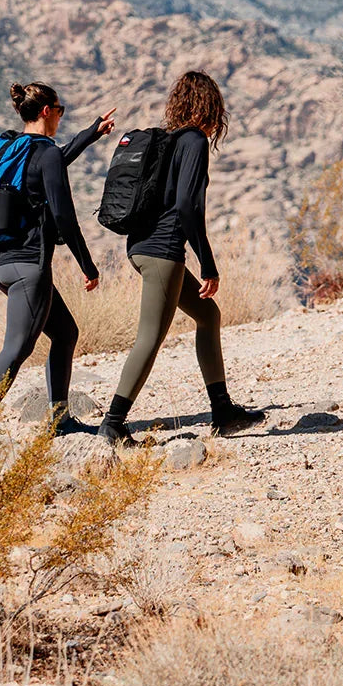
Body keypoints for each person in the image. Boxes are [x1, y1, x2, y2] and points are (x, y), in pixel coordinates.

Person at [97, 70, 265, 445]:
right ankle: (112, 424)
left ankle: (222, 411)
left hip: (142, 247)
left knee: (209, 316)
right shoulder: (193, 142)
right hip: (163, 252)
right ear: (211, 106)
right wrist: (207, 263)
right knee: (150, 336)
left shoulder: (168, 141)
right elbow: (189, 207)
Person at [0, 81, 115, 436]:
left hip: (2, 263)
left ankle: (59, 420)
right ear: (46, 112)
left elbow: (53, 162)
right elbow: (65, 217)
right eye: (60, 110)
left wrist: (91, 133)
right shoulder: (44, 152)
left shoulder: (13, 148)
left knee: (66, 332)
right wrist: (88, 265)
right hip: (30, 269)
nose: (61, 116)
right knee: (17, 348)